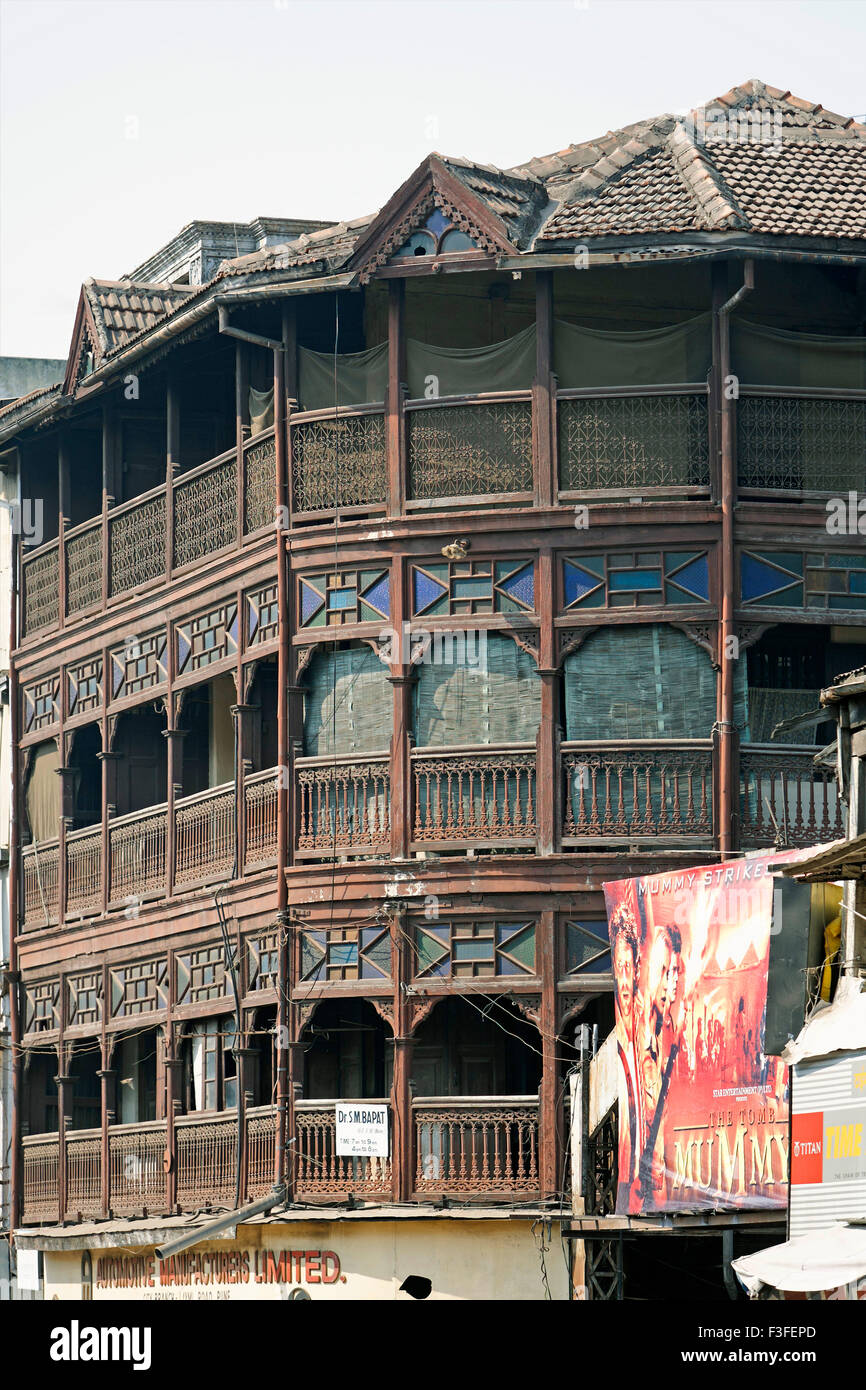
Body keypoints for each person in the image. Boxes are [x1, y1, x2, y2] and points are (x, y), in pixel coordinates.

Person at [610, 903, 644, 1210]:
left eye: (627, 967)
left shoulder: (649, 1032)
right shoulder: (623, 1036)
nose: (623, 978)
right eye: (618, 968)